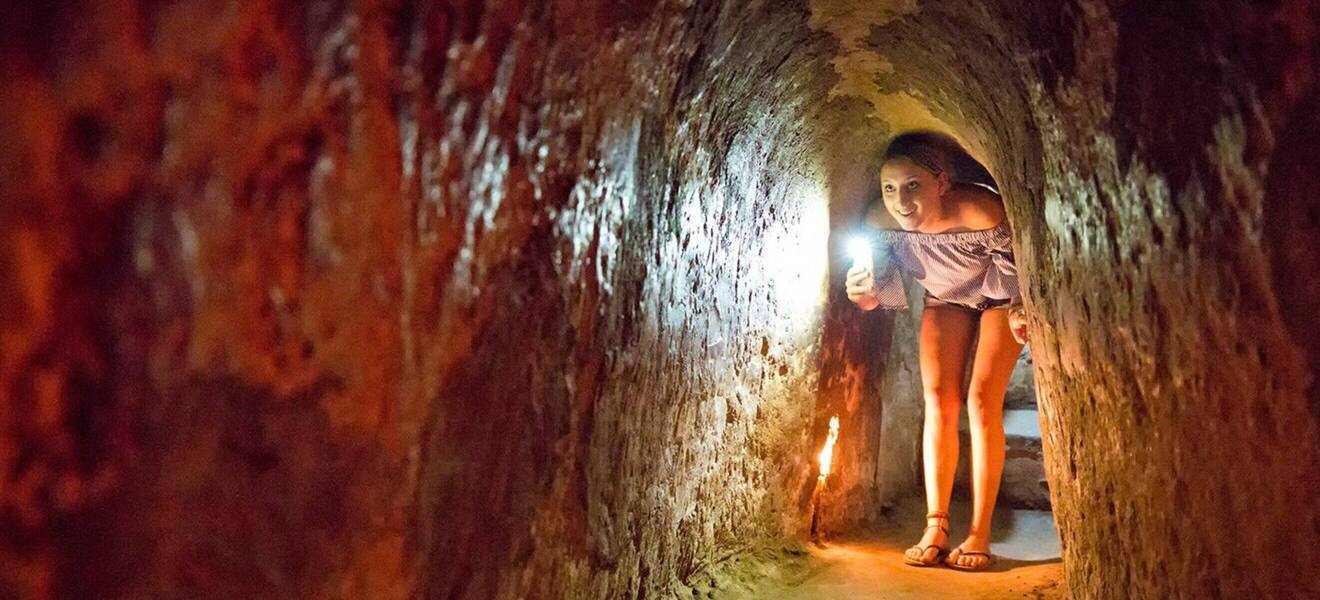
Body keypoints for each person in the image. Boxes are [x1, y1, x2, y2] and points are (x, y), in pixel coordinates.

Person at [845, 132, 1029, 572]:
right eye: (890, 188)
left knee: (981, 401)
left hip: (999, 299)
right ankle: (936, 525)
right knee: (939, 404)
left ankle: (980, 532)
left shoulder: (980, 212)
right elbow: (877, 293)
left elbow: (1015, 272)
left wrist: (1020, 309)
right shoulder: (880, 222)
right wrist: (862, 293)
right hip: (944, 300)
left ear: (941, 183)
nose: (900, 201)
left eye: (913, 186)